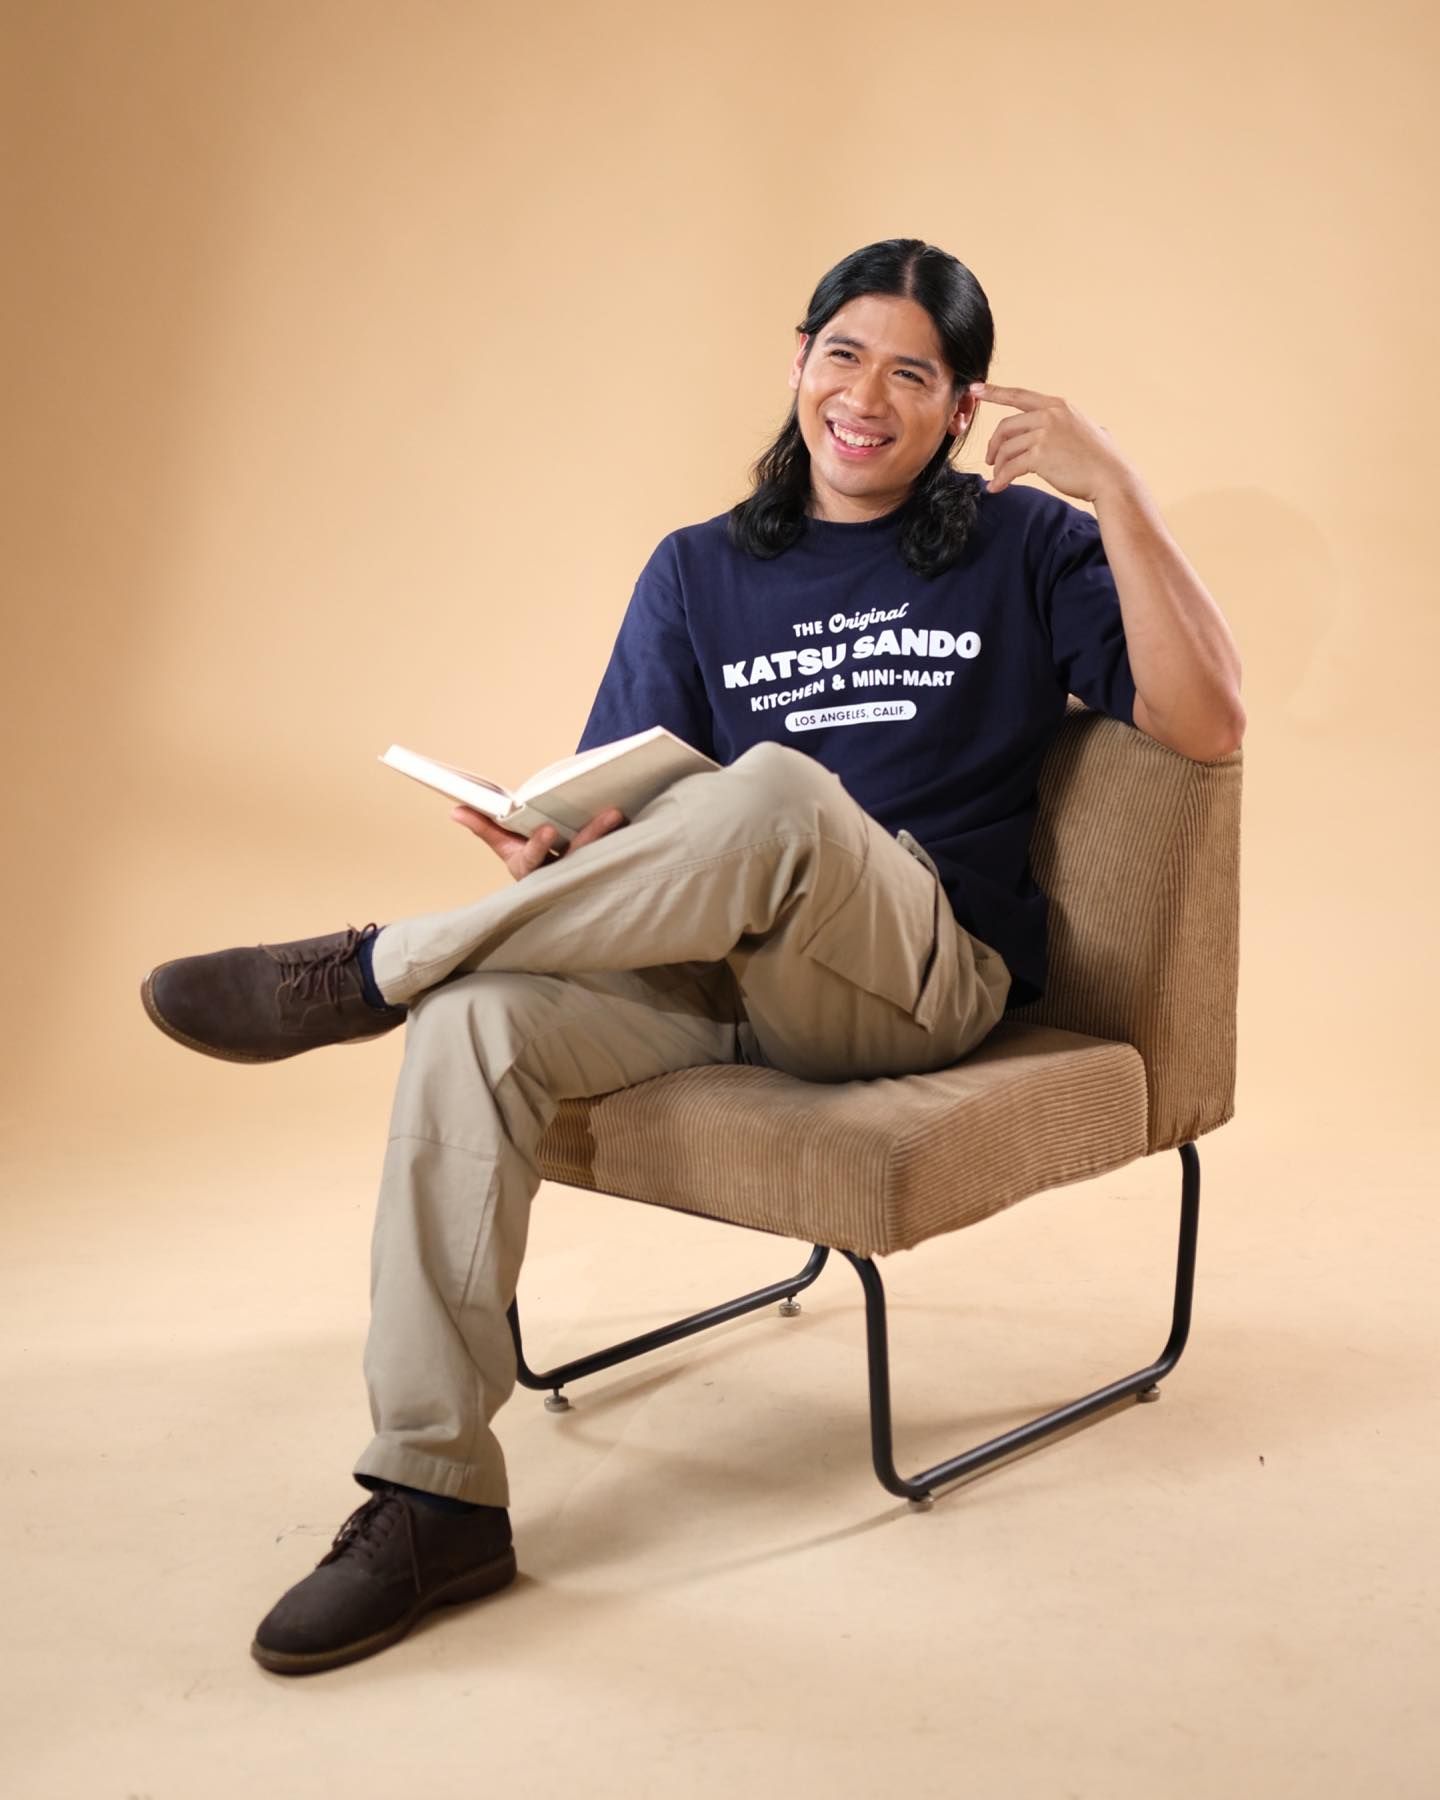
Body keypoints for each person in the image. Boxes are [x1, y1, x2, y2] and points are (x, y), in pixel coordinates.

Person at [141, 237, 1245, 1676]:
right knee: (476, 1022)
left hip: (916, 979)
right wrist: (559, 856)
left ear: (962, 407)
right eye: (842, 355)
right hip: (714, 979)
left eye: (913, 374)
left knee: (779, 788)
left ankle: (370, 967)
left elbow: (1207, 723)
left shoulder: (1023, 545)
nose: (865, 397)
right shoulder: (699, 569)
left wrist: (1119, 492)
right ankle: (433, 1498)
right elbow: (631, 808)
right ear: (797, 362)